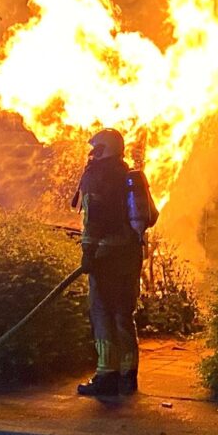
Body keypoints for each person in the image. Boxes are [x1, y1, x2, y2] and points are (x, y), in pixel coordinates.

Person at [73, 128, 155, 397]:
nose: (91, 154)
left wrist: (88, 252)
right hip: (130, 256)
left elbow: (93, 220)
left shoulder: (98, 177)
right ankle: (128, 375)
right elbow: (150, 217)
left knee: (101, 312)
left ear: (103, 150)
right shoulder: (129, 176)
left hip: (105, 258)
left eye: (95, 149)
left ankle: (106, 374)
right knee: (124, 313)